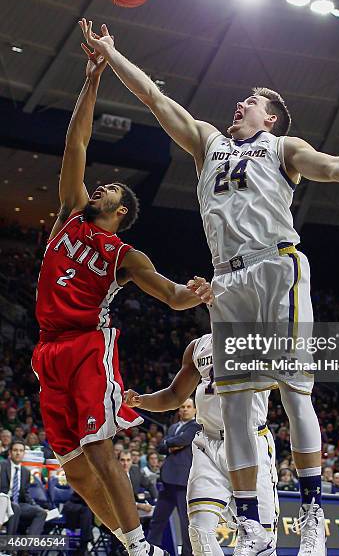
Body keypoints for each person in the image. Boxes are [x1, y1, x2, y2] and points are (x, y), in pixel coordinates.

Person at [81, 18, 339, 556]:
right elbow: (158, 100)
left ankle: (314, 512)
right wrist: (113, 55)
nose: (239, 105)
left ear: (269, 116)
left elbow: (337, 167)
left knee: (296, 393)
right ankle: (251, 524)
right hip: (228, 279)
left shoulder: (282, 148)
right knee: (235, 407)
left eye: (250, 102)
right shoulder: (207, 144)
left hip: (277, 268)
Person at [31, 46, 213, 556]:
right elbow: (76, 144)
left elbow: (172, 296)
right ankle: (137, 545)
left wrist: (195, 292)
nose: (100, 188)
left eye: (110, 189)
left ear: (121, 211)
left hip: (87, 346)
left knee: (100, 449)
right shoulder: (70, 212)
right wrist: (91, 80)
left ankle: (137, 548)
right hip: (47, 350)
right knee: (74, 471)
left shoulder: (126, 255)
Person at [125, 333, 278, 556]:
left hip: (249, 443)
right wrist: (141, 400)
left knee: (260, 544)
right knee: (198, 532)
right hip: (208, 443)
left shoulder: (259, 339)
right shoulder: (198, 346)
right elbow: (175, 395)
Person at [147, 399, 200, 556]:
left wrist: (169, 443)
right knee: (157, 520)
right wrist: (172, 446)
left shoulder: (196, 426)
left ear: (195, 410)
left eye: (188, 407)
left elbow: (183, 440)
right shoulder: (173, 427)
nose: (185, 410)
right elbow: (161, 447)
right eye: (182, 407)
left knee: (186, 524)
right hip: (168, 480)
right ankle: (150, 551)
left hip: (184, 482)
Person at [0, 441, 47, 536]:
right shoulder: (2, 466)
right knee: (15, 508)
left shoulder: (26, 472)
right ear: (10, 452)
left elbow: (25, 493)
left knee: (41, 513)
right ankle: (10, 547)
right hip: (3, 503)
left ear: (24, 454)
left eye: (21, 451)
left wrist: (36, 506)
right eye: (15, 450)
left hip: (18, 504)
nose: (18, 453)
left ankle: (28, 548)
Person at [118, 450, 157, 519]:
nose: (125, 463)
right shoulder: (113, 476)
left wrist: (156, 499)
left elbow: (149, 485)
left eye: (128, 460)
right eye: (122, 460)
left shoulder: (135, 470)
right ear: (117, 461)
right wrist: (139, 505)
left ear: (131, 461)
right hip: (120, 511)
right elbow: (120, 500)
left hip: (135, 507)